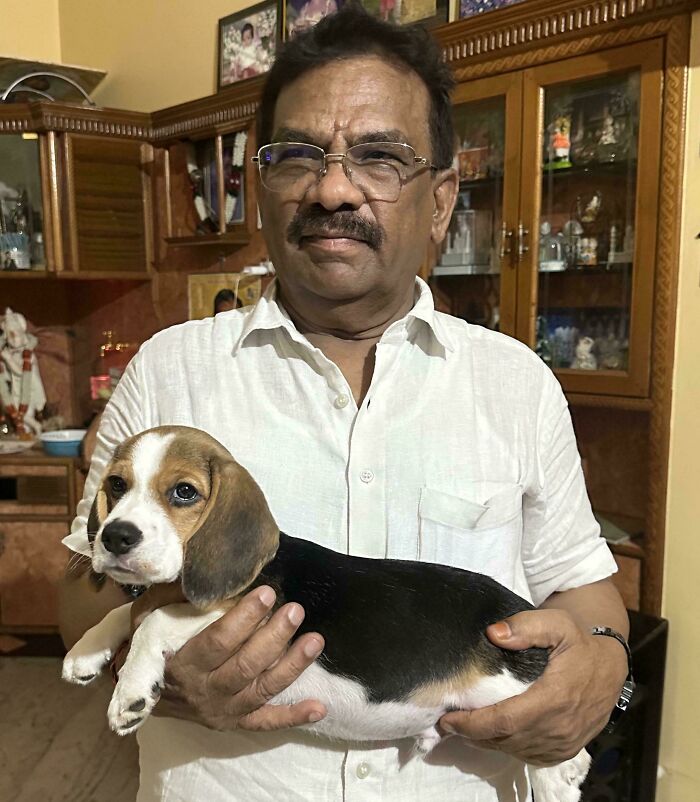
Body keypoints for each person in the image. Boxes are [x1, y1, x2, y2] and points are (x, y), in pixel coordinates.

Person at [60, 6, 629, 801]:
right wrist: (149, 662)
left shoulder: (518, 382)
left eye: (380, 156)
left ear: (439, 200)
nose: (332, 188)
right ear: (262, 188)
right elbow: (80, 584)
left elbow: (586, 586)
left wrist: (605, 663)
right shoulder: (167, 370)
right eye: (298, 156)